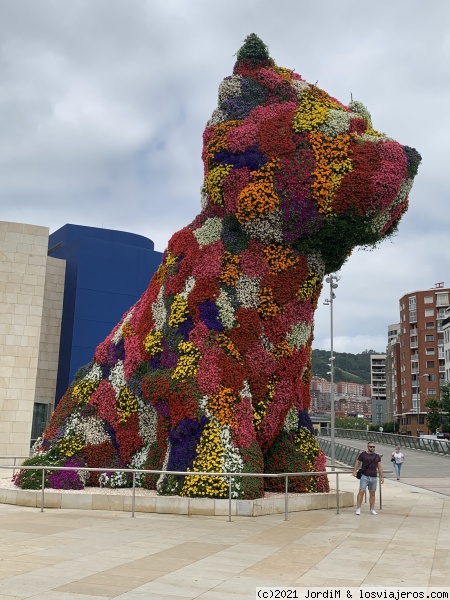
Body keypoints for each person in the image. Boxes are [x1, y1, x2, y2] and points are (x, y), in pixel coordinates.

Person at [352, 442, 384, 515]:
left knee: (372, 493)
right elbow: (358, 462)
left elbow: (379, 467)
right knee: (361, 492)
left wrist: (382, 476)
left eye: (373, 447)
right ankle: (358, 508)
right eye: (370, 447)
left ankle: (372, 509)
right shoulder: (363, 454)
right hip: (364, 476)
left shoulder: (377, 456)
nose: (372, 448)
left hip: (373, 477)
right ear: (368, 447)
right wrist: (354, 471)